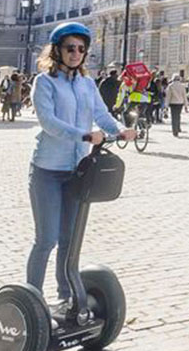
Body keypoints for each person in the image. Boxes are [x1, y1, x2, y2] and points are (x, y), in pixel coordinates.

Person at [27, 23, 134, 313]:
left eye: (81, 49)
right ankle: (31, 301)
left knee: (69, 239)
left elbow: (101, 114)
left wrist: (121, 130)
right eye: (70, 48)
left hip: (77, 170)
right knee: (46, 239)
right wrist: (84, 135)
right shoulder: (45, 82)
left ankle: (66, 297)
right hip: (48, 169)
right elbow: (48, 122)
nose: (76, 53)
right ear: (58, 50)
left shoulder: (87, 83)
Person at [166, 71, 187, 136]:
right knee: (178, 116)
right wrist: (186, 105)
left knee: (173, 117)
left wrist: (166, 106)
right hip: (180, 103)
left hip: (173, 103)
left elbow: (168, 96)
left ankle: (175, 131)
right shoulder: (182, 86)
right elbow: (184, 95)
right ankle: (178, 127)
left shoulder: (170, 86)